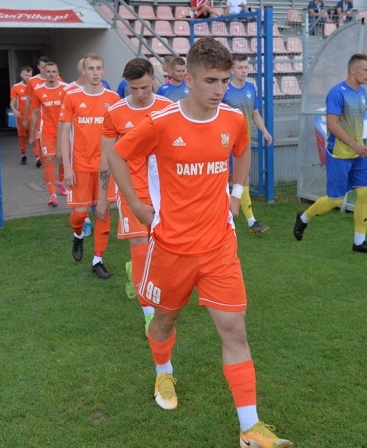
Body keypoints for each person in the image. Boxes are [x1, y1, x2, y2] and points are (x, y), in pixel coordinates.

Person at [107, 37, 292, 448]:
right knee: (164, 321)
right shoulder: (161, 123)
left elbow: (242, 152)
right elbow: (118, 155)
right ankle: (163, 372)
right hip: (171, 247)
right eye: (210, 80)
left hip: (219, 247)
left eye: (224, 81)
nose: (219, 89)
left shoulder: (232, 120)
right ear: (187, 78)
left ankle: (249, 429)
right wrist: (136, 204)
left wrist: (236, 191)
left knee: (235, 332)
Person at [98, 58, 172, 331]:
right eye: (133, 89)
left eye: (144, 87)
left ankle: (140, 278)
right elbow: (106, 157)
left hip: (162, 192)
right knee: (140, 247)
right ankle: (148, 313)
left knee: (161, 248)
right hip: (130, 190)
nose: (140, 94)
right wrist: (101, 196)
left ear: (154, 79)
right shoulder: (115, 113)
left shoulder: (168, 109)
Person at [293, 54, 367, 254]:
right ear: (353, 70)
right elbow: (332, 125)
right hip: (340, 153)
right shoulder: (337, 92)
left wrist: (361, 146)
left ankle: (359, 242)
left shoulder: (361, 92)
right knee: (335, 199)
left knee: (366, 193)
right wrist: (355, 145)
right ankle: (303, 218)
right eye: (366, 70)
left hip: (358, 153)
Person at [58, 53, 120, 278]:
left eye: (98, 68)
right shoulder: (72, 97)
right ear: (83, 71)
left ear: (103, 71)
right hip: (80, 166)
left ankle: (98, 260)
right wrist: (67, 166)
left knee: (103, 213)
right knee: (79, 214)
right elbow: (64, 133)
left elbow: (120, 134)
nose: (95, 73)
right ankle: (78, 235)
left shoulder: (113, 99)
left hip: (105, 168)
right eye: (90, 68)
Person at [223, 53, 272, 235]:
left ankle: (250, 221)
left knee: (242, 180)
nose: (244, 71)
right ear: (232, 70)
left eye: (246, 67)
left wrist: (265, 131)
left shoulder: (251, 88)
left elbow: (254, 113)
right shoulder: (225, 90)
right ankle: (224, 219)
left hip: (243, 144)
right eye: (240, 68)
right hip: (226, 144)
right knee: (225, 180)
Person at [29, 61, 68, 207]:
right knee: (49, 160)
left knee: (63, 159)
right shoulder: (38, 90)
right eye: (48, 72)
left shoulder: (66, 88)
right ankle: (52, 194)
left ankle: (61, 183)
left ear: (58, 74)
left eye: (54, 72)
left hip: (63, 131)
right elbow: (34, 113)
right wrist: (32, 134)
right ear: (44, 73)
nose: (51, 74)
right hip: (47, 132)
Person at [10, 65, 33, 165]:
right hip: (21, 116)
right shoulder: (16, 87)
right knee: (22, 136)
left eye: (30, 75)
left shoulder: (35, 86)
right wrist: (14, 110)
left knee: (35, 135)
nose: (28, 77)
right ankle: (23, 155)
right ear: (21, 75)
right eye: (26, 75)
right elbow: (12, 101)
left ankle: (38, 158)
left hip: (33, 115)